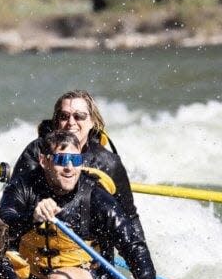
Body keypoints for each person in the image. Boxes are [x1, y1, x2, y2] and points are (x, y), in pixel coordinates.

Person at [0, 130, 160, 279]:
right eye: (61, 160)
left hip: (90, 278)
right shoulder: (23, 186)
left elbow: (132, 244)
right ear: (44, 161)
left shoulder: (96, 197)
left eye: (75, 160)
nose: (69, 168)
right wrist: (32, 217)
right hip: (33, 275)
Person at [10, 90, 145, 237]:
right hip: (37, 244)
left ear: (93, 121)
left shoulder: (108, 162)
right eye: (64, 116)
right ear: (56, 121)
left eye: (79, 116)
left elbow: (130, 217)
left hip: (90, 254)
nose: (71, 123)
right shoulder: (36, 152)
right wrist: (33, 216)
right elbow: (12, 208)